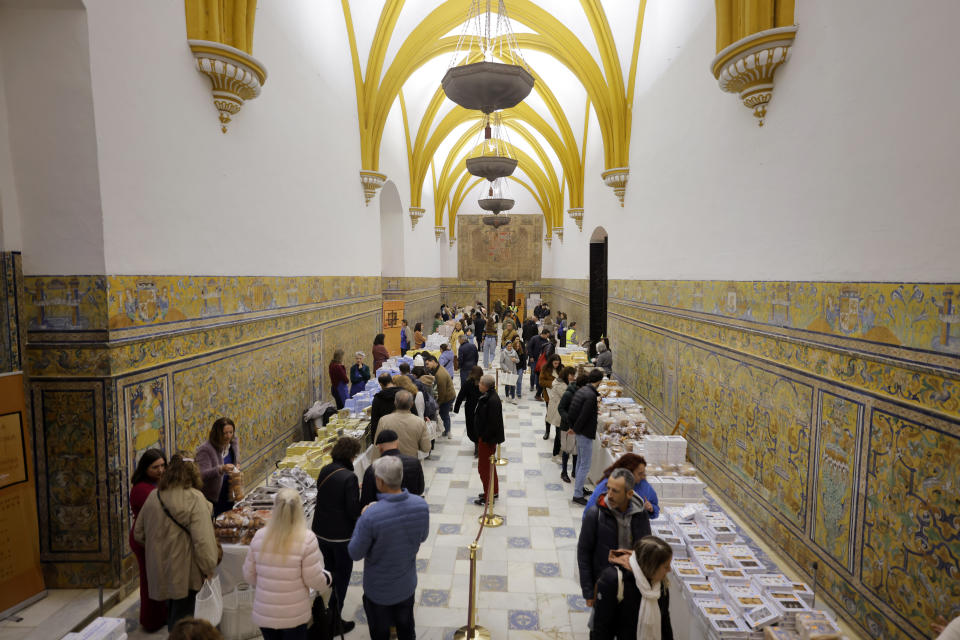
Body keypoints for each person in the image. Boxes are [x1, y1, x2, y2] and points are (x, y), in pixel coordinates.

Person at [134, 453, 220, 631]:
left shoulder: (154, 497)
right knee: (185, 619)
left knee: (173, 611)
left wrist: (160, 547)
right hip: (186, 570)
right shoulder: (195, 499)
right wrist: (208, 567)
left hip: (161, 568)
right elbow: (202, 541)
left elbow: (139, 533)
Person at [348, 456, 430, 640]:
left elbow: (355, 552)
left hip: (379, 590)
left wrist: (362, 518)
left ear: (380, 481)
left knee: (380, 634)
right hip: (406, 584)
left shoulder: (371, 516)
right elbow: (422, 537)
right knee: (406, 630)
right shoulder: (420, 506)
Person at [245, 488, 332, 640]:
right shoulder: (307, 538)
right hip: (294, 615)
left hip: (265, 613)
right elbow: (314, 580)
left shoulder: (259, 537)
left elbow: (249, 576)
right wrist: (328, 579)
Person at [576, 468, 652, 607]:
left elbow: (646, 551)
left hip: (632, 586)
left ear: (629, 494)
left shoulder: (641, 515)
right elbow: (584, 552)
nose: (609, 495)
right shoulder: (595, 515)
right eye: (608, 489)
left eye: (615, 491)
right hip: (604, 584)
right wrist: (588, 590)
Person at [311, 437, 363, 630]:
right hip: (340, 536)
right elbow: (352, 510)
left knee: (331, 571)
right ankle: (334, 619)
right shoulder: (350, 477)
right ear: (350, 455)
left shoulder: (326, 470)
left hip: (321, 532)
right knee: (343, 575)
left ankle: (328, 609)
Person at [594, 536, 674, 640]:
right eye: (666, 566)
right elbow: (601, 629)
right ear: (651, 566)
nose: (670, 570)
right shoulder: (613, 581)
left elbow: (665, 623)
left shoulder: (661, 584)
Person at [130, 450, 168, 632]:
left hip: (155, 538)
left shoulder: (154, 484)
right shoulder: (141, 490)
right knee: (149, 580)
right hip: (145, 540)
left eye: (163, 465)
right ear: (145, 468)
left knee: (158, 578)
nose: (161, 470)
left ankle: (162, 614)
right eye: (155, 467)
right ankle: (151, 620)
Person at [584, 454, 660, 520]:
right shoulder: (609, 485)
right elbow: (589, 514)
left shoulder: (643, 484)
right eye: (640, 473)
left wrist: (651, 508)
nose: (643, 476)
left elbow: (655, 506)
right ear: (628, 472)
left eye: (644, 473)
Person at [361, 429, 424, 507]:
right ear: (397, 443)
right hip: (411, 508)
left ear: (379, 447)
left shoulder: (373, 469)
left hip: (382, 514)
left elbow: (366, 500)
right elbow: (420, 489)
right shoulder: (415, 463)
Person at [569, 369, 604, 505]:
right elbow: (584, 416)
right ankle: (577, 494)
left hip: (580, 432)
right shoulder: (590, 396)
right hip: (584, 433)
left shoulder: (582, 390)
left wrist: (573, 427)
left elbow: (574, 410)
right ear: (599, 381)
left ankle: (579, 488)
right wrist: (575, 429)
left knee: (580, 462)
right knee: (585, 464)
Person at [195, 417, 239, 516]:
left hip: (228, 494)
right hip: (213, 497)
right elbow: (201, 474)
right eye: (224, 433)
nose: (228, 436)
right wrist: (221, 469)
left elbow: (235, 460)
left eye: (231, 432)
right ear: (217, 433)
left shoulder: (232, 443)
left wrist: (236, 466)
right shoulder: (205, 450)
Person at [473, 374, 505, 505]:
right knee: (490, 466)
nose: (478, 385)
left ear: (485, 386)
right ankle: (494, 490)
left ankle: (488, 496)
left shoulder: (492, 400)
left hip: (487, 440)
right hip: (488, 438)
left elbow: (492, 423)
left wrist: (484, 438)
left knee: (484, 468)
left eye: (480, 383)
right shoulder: (490, 396)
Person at [372, 390, 431, 459]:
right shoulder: (420, 422)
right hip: (411, 463)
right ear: (412, 404)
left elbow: (377, 446)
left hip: (390, 463)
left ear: (395, 403)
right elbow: (426, 448)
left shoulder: (384, 420)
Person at [556, 367, 580, 483]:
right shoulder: (568, 394)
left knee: (575, 450)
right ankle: (564, 472)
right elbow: (560, 408)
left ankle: (574, 471)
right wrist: (568, 419)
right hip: (566, 426)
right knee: (566, 450)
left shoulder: (579, 393)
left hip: (576, 427)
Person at [455, 366, 484, 457]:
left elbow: (461, 395)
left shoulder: (468, 383)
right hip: (482, 408)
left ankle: (477, 444)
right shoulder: (483, 383)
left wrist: (456, 408)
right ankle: (480, 444)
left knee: (471, 426)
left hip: (470, 409)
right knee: (481, 426)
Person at [425, 356, 456, 439]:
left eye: (428, 364)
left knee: (444, 414)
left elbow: (442, 393)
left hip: (448, 397)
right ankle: (446, 430)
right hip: (447, 394)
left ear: (433, 361)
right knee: (443, 414)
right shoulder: (437, 369)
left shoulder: (440, 375)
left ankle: (447, 431)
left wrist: (437, 404)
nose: (427, 366)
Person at [546, 361, 569, 457]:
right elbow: (566, 398)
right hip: (558, 412)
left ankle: (558, 452)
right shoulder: (561, 386)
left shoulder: (559, 382)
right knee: (559, 434)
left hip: (557, 411)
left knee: (558, 432)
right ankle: (557, 453)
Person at [540, 353, 562, 441]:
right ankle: (547, 431)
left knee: (558, 414)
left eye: (558, 363)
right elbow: (541, 382)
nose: (557, 365)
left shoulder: (561, 368)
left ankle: (558, 434)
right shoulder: (545, 369)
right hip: (549, 395)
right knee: (549, 413)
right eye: (555, 363)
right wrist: (552, 384)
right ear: (551, 362)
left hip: (559, 395)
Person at [527, 328, 551, 400]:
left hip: (541, 361)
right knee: (533, 373)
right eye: (547, 335)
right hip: (533, 359)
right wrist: (530, 356)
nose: (547, 337)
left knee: (539, 374)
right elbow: (529, 347)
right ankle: (532, 385)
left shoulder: (546, 341)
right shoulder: (534, 338)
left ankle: (538, 387)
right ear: (543, 334)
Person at [499, 338, 520, 403]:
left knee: (513, 384)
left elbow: (518, 360)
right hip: (507, 371)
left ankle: (513, 398)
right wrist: (506, 369)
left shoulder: (514, 352)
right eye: (508, 346)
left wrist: (515, 360)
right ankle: (507, 396)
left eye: (510, 346)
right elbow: (501, 362)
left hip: (513, 371)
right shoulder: (503, 353)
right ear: (506, 346)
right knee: (507, 385)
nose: (509, 347)